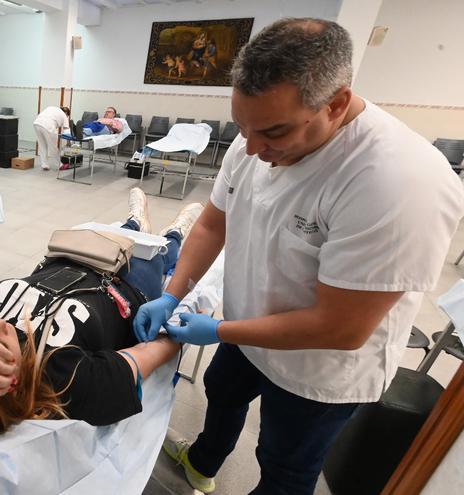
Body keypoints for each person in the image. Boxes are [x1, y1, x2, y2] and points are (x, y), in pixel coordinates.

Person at [132, 18, 464, 494]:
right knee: (222, 395)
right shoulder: (255, 139)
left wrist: (219, 329)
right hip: (247, 328)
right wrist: (173, 292)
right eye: (244, 127)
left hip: (319, 367)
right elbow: (211, 222)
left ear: (336, 105)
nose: (252, 148)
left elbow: (341, 328)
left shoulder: (399, 181)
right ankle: (202, 464)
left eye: (273, 132)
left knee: (284, 463)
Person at [0, 188, 206, 436]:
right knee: (162, 252)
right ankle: (177, 231)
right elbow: (157, 349)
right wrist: (181, 324)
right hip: (128, 283)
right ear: (12, 388)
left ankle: (135, 221)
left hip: (73, 255)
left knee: (126, 233)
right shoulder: (72, 381)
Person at [32, 106, 71, 171]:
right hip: (48, 126)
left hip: (37, 123)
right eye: (67, 116)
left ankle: (44, 165)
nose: (67, 117)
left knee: (42, 145)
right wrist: (69, 142)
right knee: (53, 147)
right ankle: (60, 165)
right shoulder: (64, 115)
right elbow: (66, 131)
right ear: (66, 113)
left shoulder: (52, 108)